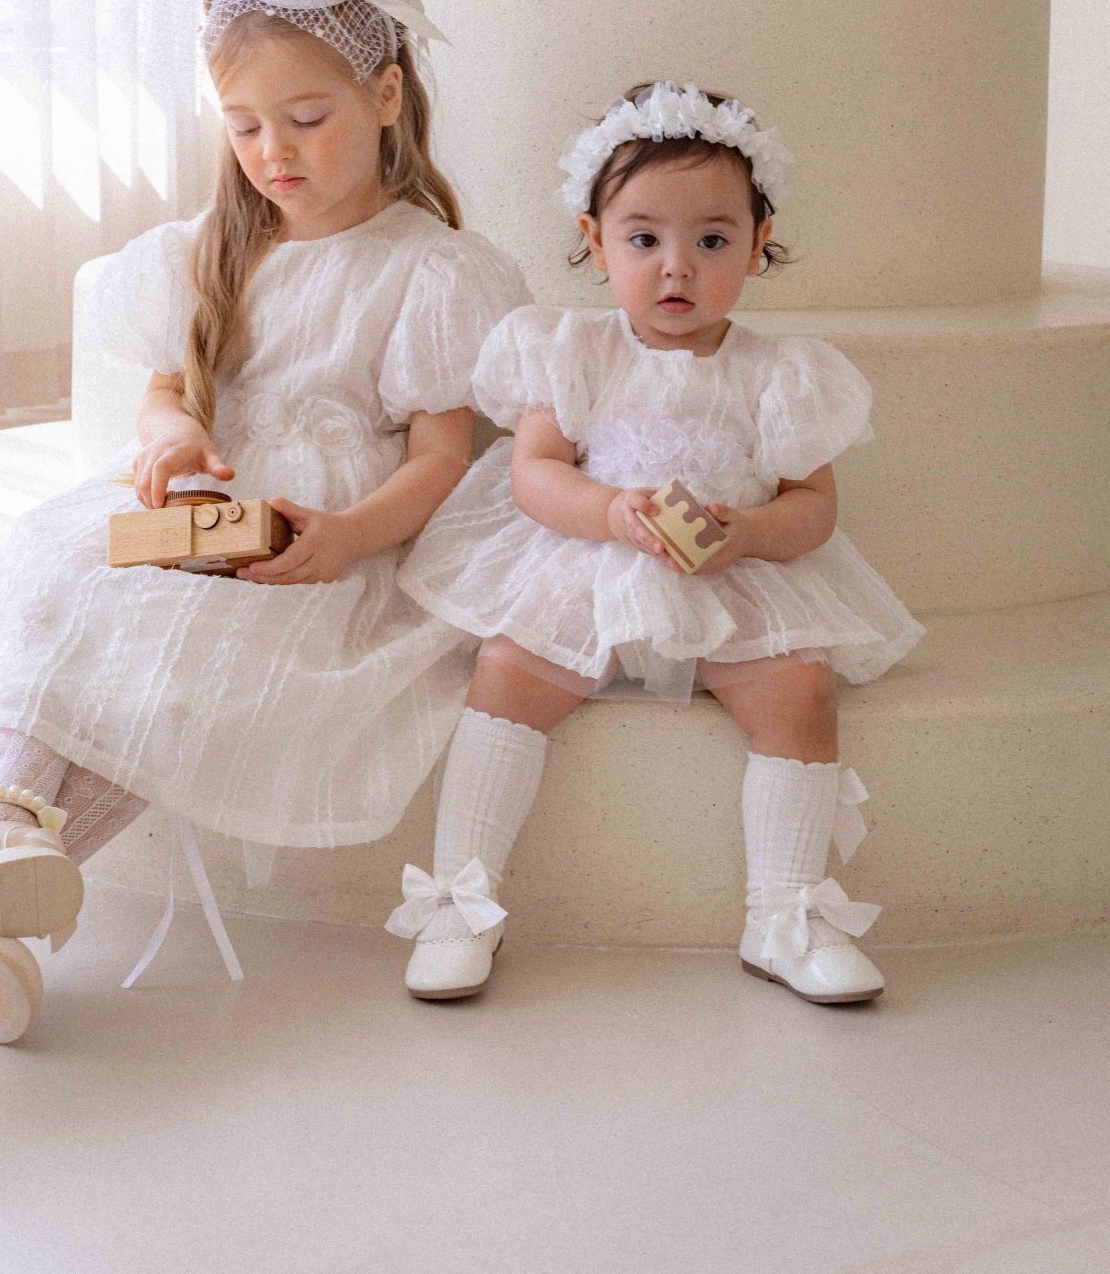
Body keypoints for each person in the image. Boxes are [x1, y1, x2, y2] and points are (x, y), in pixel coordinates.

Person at [0, 0, 529, 1043]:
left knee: (184, 663)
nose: (273, 153)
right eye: (244, 126)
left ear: (386, 97)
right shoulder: (220, 245)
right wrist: (167, 438)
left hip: (317, 535)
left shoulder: (431, 270)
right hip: (201, 509)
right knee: (56, 586)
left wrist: (349, 535)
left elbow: (443, 456)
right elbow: (170, 391)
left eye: (306, 120)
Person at [387, 79, 926, 1007]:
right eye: (644, 240)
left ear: (758, 244)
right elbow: (534, 473)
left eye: (711, 241)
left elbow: (813, 508)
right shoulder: (572, 352)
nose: (677, 269)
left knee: (799, 690)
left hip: (731, 575)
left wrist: (749, 532)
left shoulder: (779, 374)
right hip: (589, 567)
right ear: (596, 243)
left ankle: (785, 914)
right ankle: (461, 901)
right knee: (509, 671)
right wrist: (607, 512)